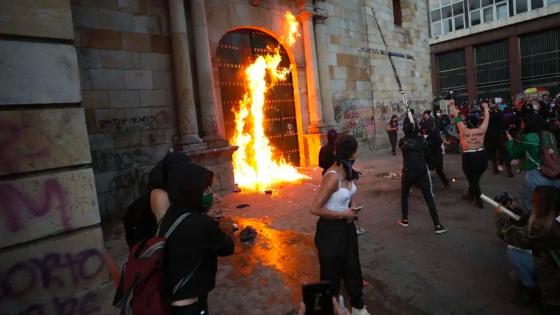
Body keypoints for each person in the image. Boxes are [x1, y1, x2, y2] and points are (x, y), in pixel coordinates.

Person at [159, 163, 235, 315]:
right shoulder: (201, 224)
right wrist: (225, 226)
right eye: (204, 189)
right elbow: (227, 247)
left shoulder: (169, 218)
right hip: (190, 306)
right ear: (190, 191)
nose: (209, 193)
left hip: (169, 301)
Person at [309, 135, 370, 315]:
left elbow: (349, 193)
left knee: (352, 266)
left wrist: (352, 208)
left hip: (347, 228)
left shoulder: (347, 169)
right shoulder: (332, 176)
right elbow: (314, 208)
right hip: (329, 232)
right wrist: (344, 213)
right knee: (331, 275)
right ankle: (329, 309)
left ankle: (358, 306)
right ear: (353, 154)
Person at [495, 186, 560, 313]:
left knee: (514, 253)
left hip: (554, 279)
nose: (531, 203)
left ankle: (530, 290)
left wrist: (500, 216)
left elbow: (509, 235)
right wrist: (516, 210)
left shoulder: (547, 230)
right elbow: (528, 220)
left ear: (542, 205)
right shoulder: (555, 217)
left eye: (534, 202)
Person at [398, 117, 448, 234]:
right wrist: (431, 165)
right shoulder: (421, 141)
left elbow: (412, 145)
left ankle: (405, 219)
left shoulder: (403, 141)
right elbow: (427, 152)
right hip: (421, 172)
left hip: (408, 171)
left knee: (404, 196)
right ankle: (437, 225)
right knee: (428, 198)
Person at [506, 112, 560, 212]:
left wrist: (510, 141)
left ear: (529, 123)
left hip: (535, 174)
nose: (521, 124)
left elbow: (514, 152)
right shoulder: (549, 134)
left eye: (522, 122)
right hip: (554, 172)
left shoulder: (529, 137)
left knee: (531, 205)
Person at [449, 100, 490, 209]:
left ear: (468, 123)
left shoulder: (463, 130)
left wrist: (452, 105)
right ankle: (470, 194)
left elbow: (456, 117)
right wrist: (485, 107)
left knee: (473, 181)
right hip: (482, 157)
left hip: (470, 158)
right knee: (475, 179)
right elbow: (487, 118)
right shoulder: (482, 129)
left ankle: (479, 200)